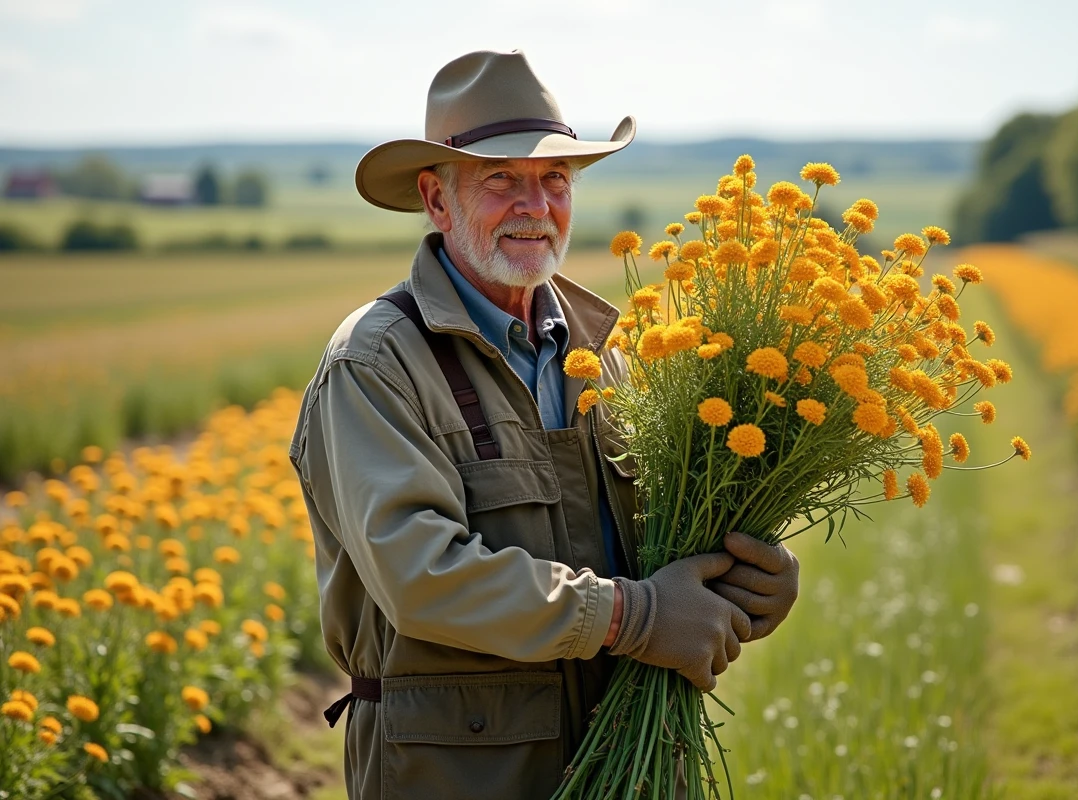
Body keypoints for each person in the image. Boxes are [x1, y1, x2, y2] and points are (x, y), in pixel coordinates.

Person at [289, 49, 800, 800]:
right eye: (501, 180)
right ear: (437, 198)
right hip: (460, 773)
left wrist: (748, 578)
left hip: (635, 758)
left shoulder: (614, 349)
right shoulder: (375, 363)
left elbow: (667, 542)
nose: (536, 205)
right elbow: (423, 576)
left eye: (554, 180)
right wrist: (633, 616)